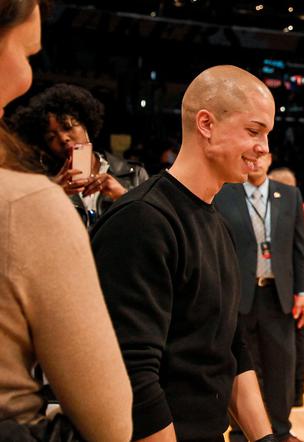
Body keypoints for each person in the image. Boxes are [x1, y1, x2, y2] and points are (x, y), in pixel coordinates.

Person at [91, 65, 276, 441]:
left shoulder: (217, 222)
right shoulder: (142, 220)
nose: (264, 148)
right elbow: (132, 374)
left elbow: (232, 346)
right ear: (205, 124)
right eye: (254, 131)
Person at [0, 1, 132, 440]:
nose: (61, 139)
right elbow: (111, 424)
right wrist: (52, 197)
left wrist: (119, 196)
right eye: (27, 53)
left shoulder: (130, 174)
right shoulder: (33, 192)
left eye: (69, 128)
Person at [215, 151, 304, 442]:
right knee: (243, 366)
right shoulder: (224, 193)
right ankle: (241, 431)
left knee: (281, 366)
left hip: (277, 294)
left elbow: (299, 248)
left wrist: (303, 292)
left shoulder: (289, 194)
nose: (255, 161)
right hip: (238, 296)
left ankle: (281, 429)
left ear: (270, 159)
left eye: (261, 156)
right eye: (248, 157)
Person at [11, 83, 148, 225]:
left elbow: (154, 228)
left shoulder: (134, 175)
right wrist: (53, 194)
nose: (63, 138)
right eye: (51, 137)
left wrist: (123, 196)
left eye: (68, 127)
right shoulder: (43, 184)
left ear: (86, 126)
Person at [270, 166, 304, 407]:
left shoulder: (281, 213)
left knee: (286, 340)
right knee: (302, 337)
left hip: (292, 283)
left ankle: (288, 390)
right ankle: (299, 389)